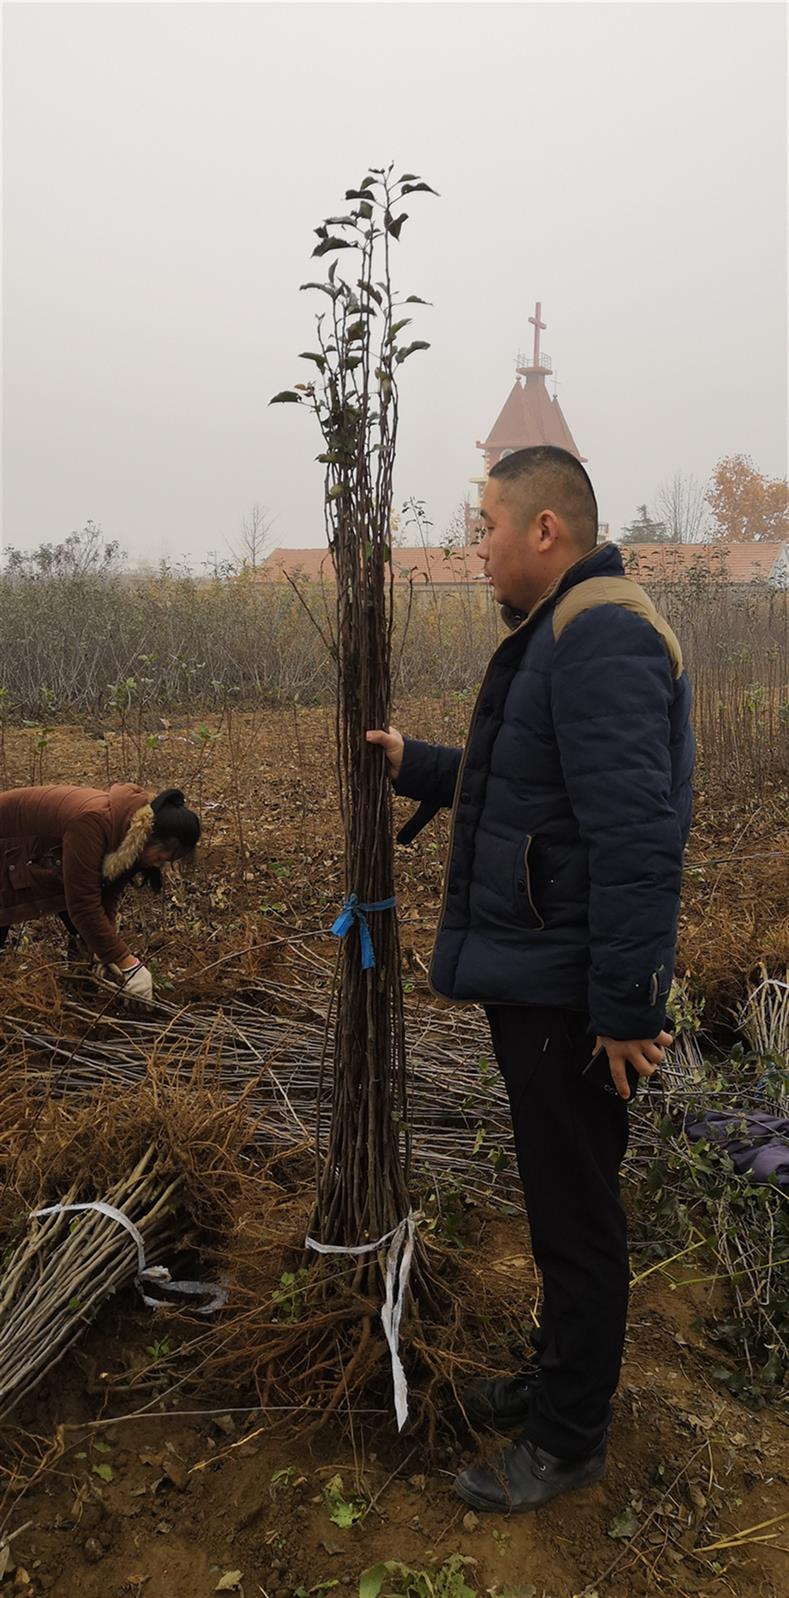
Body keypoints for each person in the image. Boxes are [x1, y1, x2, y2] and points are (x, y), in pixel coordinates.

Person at [367, 444, 694, 1514]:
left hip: (570, 994)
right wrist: (415, 758)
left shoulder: (598, 634)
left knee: (577, 1219)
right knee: (561, 1204)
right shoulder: (568, 630)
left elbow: (637, 835)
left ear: (544, 531)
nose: (477, 546)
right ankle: (559, 1381)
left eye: (485, 524)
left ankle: (568, 1439)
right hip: (550, 979)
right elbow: (527, 784)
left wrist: (627, 1010)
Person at [0, 783, 200, 999]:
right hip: (8, 847)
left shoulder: (130, 830)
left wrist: (106, 952)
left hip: (39, 856)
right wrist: (128, 963)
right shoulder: (93, 822)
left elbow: (107, 893)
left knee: (86, 936)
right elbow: (83, 906)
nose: (158, 865)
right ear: (151, 836)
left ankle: (79, 992)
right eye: (161, 857)